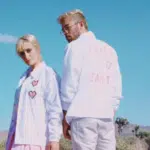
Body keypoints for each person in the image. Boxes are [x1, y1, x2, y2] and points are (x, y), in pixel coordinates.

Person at [57, 9, 122, 150]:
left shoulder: (73, 47)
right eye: (63, 30)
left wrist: (66, 117)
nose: (65, 33)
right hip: (106, 116)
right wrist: (111, 110)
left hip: (83, 114)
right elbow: (116, 86)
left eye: (67, 27)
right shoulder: (109, 49)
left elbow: (69, 85)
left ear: (81, 24)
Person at [6, 34, 63, 150]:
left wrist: (54, 139)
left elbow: (54, 109)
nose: (26, 56)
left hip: (39, 141)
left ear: (37, 48)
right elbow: (15, 114)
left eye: (28, 50)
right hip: (18, 140)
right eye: (22, 53)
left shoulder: (48, 74)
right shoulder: (23, 79)